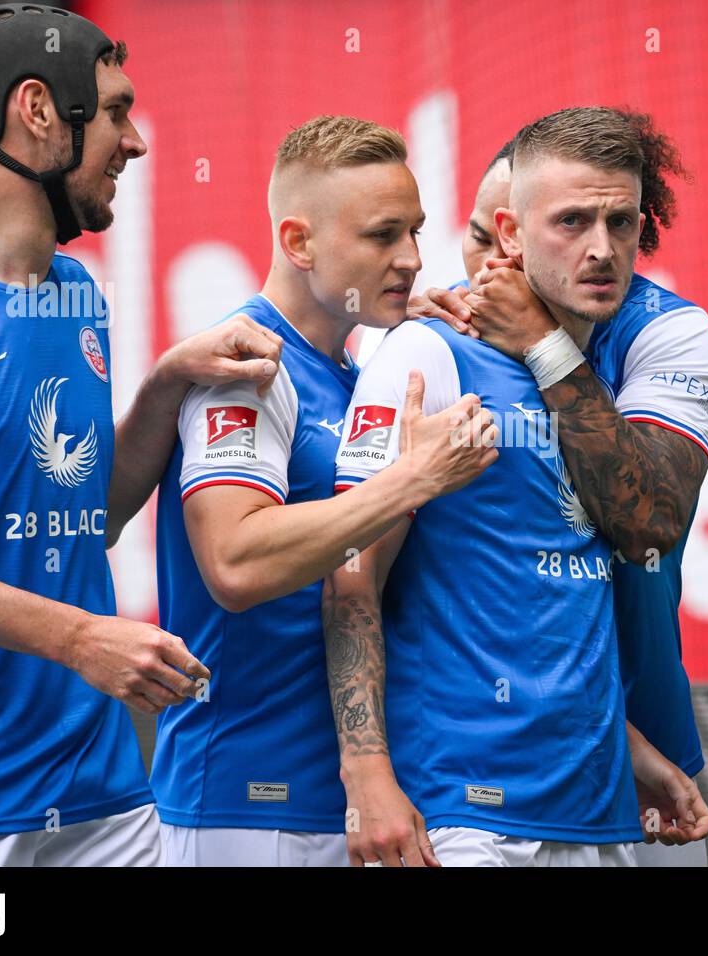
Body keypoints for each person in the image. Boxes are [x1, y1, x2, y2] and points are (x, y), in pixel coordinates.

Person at [0, 4, 278, 865]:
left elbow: (90, 515)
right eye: (116, 112)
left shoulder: (76, 291)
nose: (136, 141)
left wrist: (166, 385)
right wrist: (82, 639)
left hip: (101, 790)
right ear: (39, 110)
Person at [325, 107, 708, 867]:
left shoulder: (663, 334)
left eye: (622, 223)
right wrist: (366, 774)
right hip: (467, 813)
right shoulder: (425, 350)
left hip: (603, 798)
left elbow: (641, 533)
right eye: (572, 221)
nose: (602, 249)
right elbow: (351, 578)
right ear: (509, 235)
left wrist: (630, 749)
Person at [150, 115, 497, 866]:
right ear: (298, 243)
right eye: (382, 237)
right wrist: (412, 479)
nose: (410, 259)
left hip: (340, 802)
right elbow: (235, 565)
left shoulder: (354, 368)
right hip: (246, 803)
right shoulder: (243, 362)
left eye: (415, 232)